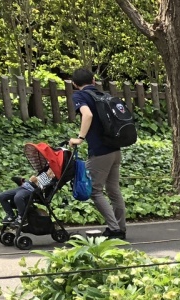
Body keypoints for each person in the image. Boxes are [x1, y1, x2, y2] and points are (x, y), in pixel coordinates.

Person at [69, 67, 126, 239]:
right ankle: (120, 228)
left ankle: (114, 229)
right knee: (113, 189)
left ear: (74, 84)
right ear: (94, 81)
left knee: (95, 190)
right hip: (115, 149)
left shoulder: (80, 96)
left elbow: (87, 115)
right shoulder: (103, 95)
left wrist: (80, 138)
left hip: (100, 152)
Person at [0, 143, 59, 227]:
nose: (49, 171)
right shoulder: (43, 172)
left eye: (51, 170)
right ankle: (10, 215)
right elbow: (33, 179)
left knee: (18, 197)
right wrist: (29, 180)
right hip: (25, 186)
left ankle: (22, 218)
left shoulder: (52, 179)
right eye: (49, 169)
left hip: (34, 190)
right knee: (2, 196)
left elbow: (44, 188)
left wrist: (36, 181)